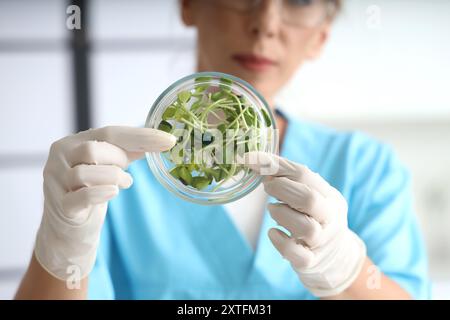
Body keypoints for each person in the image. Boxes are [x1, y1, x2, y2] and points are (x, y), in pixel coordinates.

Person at [15, 0, 429, 299]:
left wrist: (346, 270)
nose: (266, 22)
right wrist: (60, 245)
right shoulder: (110, 173)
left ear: (321, 35)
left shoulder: (364, 167)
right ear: (189, 5)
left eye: (300, 0)